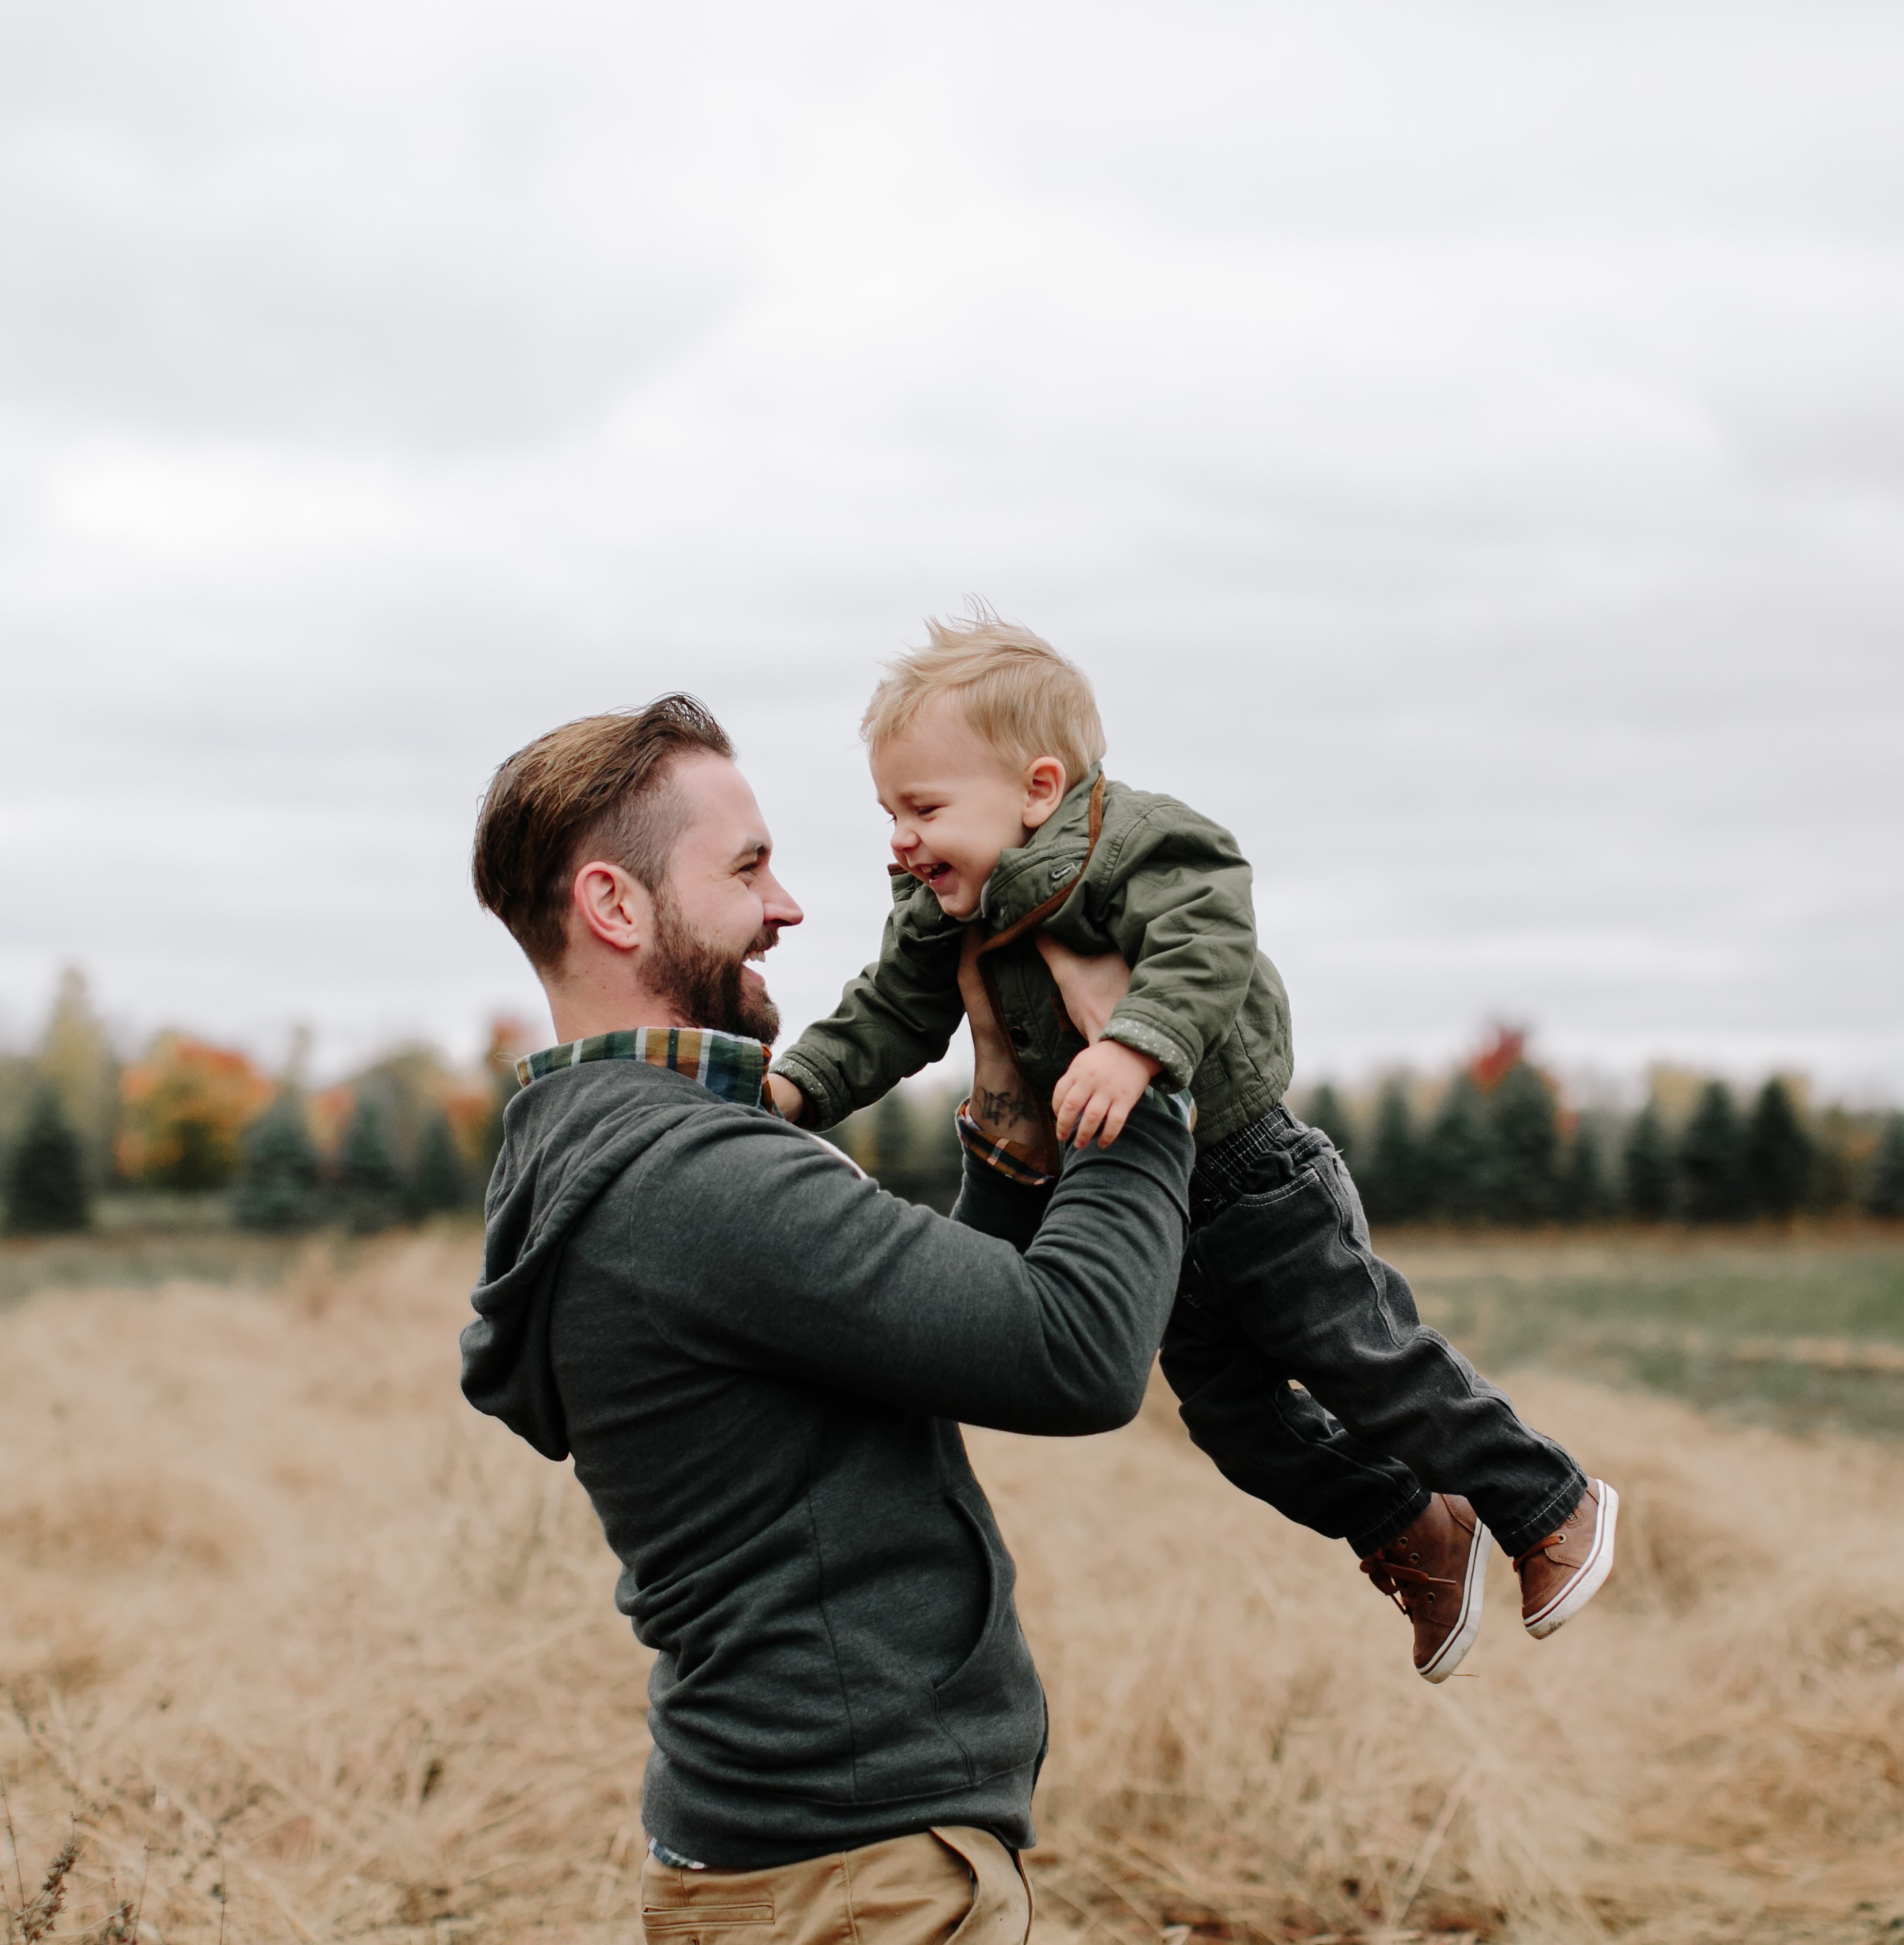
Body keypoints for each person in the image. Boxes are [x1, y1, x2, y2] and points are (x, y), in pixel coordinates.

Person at [460, 696, 1200, 1945]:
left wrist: (1015, 1117)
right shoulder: (696, 1177)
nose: (790, 905)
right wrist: (1141, 1066)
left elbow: (955, 1323)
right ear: (615, 905)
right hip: (859, 1878)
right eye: (747, 868)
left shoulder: (605, 1159)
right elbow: (1074, 1351)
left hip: (781, 1860)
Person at [768, 614, 1618, 1684]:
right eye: (889, 812)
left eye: (924, 809)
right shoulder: (945, 910)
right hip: (1154, 1211)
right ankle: (1413, 1527)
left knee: (1366, 1359)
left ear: (1037, 789)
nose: (900, 838)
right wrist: (796, 1084)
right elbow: (888, 1012)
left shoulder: (1136, 842)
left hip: (1250, 1168)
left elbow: (1208, 934)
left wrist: (1133, 1046)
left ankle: (1550, 1499)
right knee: (1232, 1423)